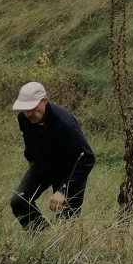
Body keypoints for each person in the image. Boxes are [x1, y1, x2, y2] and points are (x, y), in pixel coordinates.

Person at [9, 81, 96, 230]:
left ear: (44, 101)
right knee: (19, 202)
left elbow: (86, 158)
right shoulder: (24, 118)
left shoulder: (65, 124)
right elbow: (29, 139)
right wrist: (30, 159)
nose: (28, 114)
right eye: (24, 109)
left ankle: (60, 239)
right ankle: (43, 236)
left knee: (66, 224)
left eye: (32, 108)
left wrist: (64, 190)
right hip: (42, 167)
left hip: (69, 173)